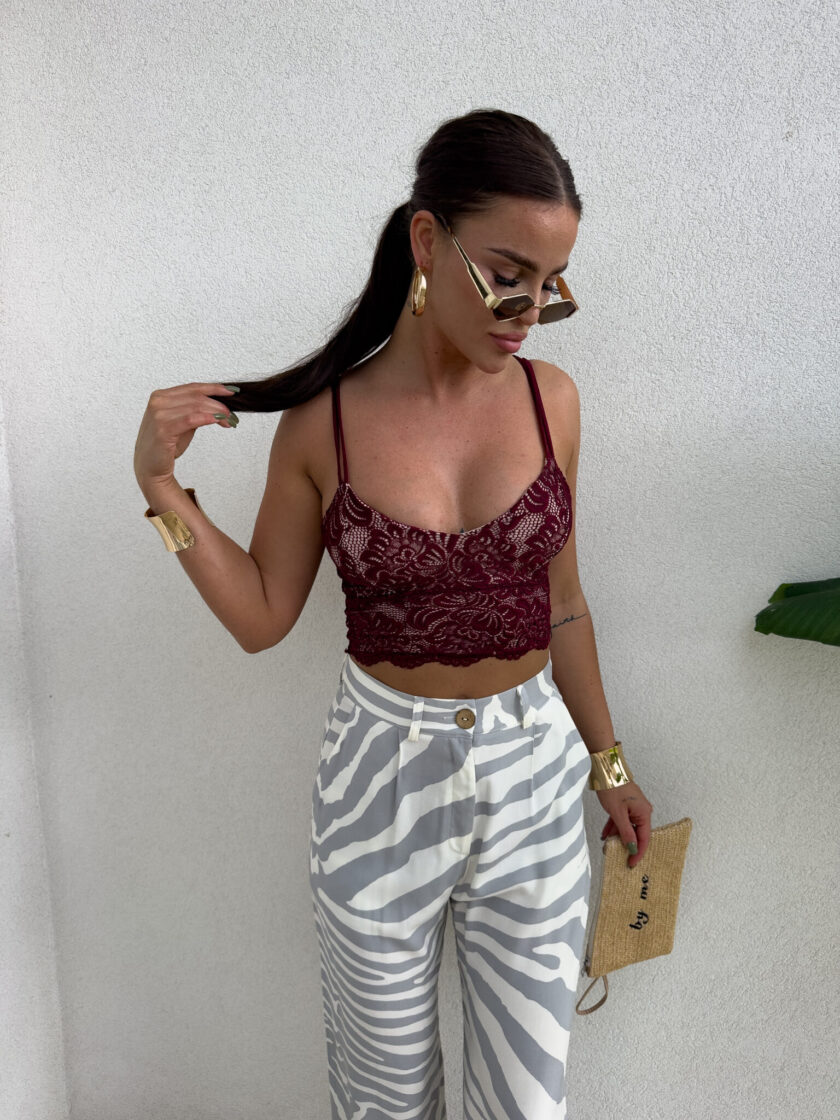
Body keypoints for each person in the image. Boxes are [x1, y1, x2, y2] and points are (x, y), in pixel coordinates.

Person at [134, 108, 653, 1119]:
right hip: (379, 779)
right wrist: (162, 491)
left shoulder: (552, 401)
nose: (528, 311)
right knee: (383, 1098)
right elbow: (263, 617)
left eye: (551, 285)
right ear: (428, 240)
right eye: (508, 275)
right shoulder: (320, 424)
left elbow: (564, 606)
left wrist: (612, 766)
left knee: (527, 1101)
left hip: (536, 775)